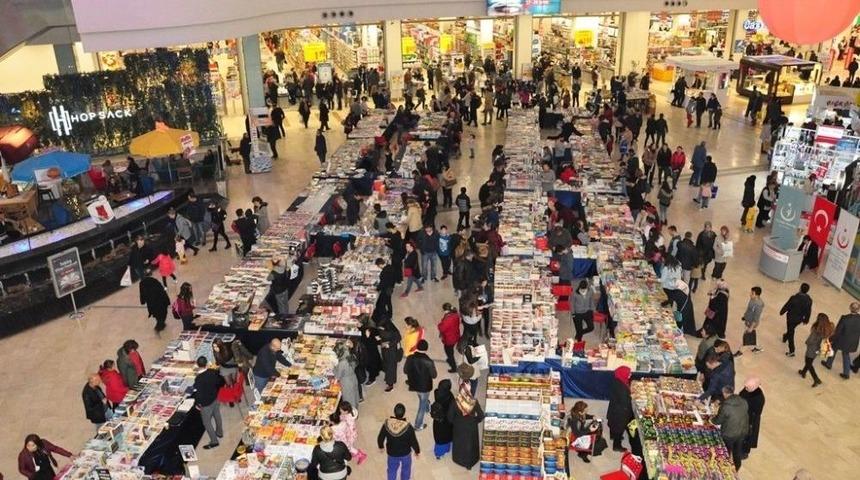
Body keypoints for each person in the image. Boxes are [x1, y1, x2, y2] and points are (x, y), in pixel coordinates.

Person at [447, 380, 485, 470]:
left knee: (460, 444)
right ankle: (470, 463)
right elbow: (481, 415)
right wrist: (475, 421)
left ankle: (459, 459)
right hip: (471, 427)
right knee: (471, 445)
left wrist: (456, 422)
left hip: (459, 427)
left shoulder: (455, 402)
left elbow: (449, 417)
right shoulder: (474, 402)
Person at [377, 403, 420, 480]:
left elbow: (380, 437)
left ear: (394, 412)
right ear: (404, 413)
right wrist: (417, 451)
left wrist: (381, 446)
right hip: (405, 453)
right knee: (406, 469)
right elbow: (413, 441)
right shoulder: (408, 427)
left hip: (392, 453)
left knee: (392, 470)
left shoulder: (387, 424)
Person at [711, 386, 749, 471]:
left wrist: (711, 419)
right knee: (737, 451)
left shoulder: (725, 406)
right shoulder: (743, 401)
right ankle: (737, 468)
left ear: (724, 393)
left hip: (729, 434)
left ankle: (724, 468)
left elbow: (718, 421)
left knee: (726, 451)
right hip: (742, 431)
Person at [193, 356, 225, 449]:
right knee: (217, 414)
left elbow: (198, 394)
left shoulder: (199, 379)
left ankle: (214, 441)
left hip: (206, 404)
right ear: (206, 364)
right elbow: (219, 381)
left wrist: (198, 404)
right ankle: (219, 432)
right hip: (215, 398)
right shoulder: (213, 372)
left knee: (207, 423)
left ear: (198, 365)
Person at [823, 302, 860, 379]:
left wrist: (830, 339)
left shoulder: (844, 318)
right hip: (852, 341)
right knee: (846, 354)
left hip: (841, 340)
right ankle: (846, 373)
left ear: (850, 308)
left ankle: (828, 364)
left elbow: (837, 331)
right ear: (858, 309)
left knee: (833, 348)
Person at [799, 313, 834, 387]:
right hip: (817, 348)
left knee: (808, 363)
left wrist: (807, 342)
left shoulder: (816, 328)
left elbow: (811, 339)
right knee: (809, 361)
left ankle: (816, 379)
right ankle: (803, 372)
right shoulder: (827, 328)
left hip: (812, 348)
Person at [780, 283, 813, 357]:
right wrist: (806, 320)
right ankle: (785, 337)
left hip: (791, 318)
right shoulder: (809, 300)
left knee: (791, 333)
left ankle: (792, 351)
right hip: (799, 319)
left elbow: (787, 305)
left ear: (800, 288)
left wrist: (782, 312)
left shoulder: (794, 298)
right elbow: (808, 311)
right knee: (791, 330)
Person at [606, 366, 633, 452]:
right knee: (619, 428)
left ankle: (612, 435)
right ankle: (617, 446)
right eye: (629, 373)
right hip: (620, 412)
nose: (630, 375)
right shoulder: (623, 389)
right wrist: (632, 397)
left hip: (614, 407)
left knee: (613, 424)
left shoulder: (618, 380)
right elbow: (625, 403)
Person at [738, 378, 765, 459]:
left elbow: (756, 413)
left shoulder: (759, 398)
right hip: (742, 414)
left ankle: (744, 452)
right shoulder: (747, 389)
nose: (745, 388)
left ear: (753, 388)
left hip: (750, 420)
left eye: (747, 387)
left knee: (747, 436)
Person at [735, 286, 764, 356]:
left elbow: (756, 317)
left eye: (752, 293)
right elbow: (749, 309)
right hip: (747, 321)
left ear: (757, 295)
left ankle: (740, 351)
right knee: (751, 336)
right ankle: (755, 348)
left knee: (746, 336)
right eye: (751, 292)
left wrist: (751, 327)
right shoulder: (752, 299)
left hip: (751, 323)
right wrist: (745, 316)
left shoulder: (759, 305)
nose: (750, 294)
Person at [378, 319, 403, 392]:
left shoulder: (392, 333)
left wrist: (388, 344)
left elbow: (397, 339)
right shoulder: (390, 328)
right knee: (389, 366)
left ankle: (390, 384)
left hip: (391, 353)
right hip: (387, 351)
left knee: (391, 368)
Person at [438, 303, 462, 372]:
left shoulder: (447, 319)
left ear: (446, 310)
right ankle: (450, 359)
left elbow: (441, 328)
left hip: (449, 338)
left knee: (449, 352)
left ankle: (454, 367)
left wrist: (439, 324)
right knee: (450, 349)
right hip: (455, 335)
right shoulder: (456, 314)